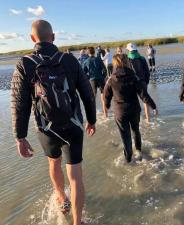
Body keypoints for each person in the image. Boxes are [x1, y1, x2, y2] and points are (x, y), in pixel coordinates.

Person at [11, 20, 96, 225]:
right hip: (73, 125)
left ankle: (61, 198)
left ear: (33, 38)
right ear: (54, 37)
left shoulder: (25, 63)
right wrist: (92, 120)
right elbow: (87, 93)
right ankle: (77, 222)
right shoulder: (69, 60)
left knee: (53, 162)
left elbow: (19, 103)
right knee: (75, 176)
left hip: (46, 129)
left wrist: (19, 136)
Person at [103, 54, 158, 163]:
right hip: (134, 109)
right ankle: (139, 151)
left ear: (115, 64)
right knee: (136, 130)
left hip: (120, 112)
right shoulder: (133, 76)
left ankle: (128, 158)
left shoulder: (111, 79)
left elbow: (106, 95)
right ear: (126, 62)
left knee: (125, 136)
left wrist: (108, 105)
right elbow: (143, 94)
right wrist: (153, 106)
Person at [126, 42, 152, 123]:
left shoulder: (126, 59)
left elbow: (126, 73)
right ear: (136, 49)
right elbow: (147, 72)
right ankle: (148, 120)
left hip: (131, 84)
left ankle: (136, 120)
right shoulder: (142, 58)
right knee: (145, 100)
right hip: (143, 82)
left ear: (128, 50)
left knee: (134, 102)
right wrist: (146, 82)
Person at [83, 47, 108, 118]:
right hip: (100, 79)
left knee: (93, 98)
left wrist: (88, 79)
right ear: (94, 52)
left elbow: (83, 73)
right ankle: (105, 114)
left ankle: (93, 116)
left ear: (88, 53)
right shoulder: (98, 59)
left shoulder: (86, 61)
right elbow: (105, 70)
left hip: (92, 80)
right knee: (103, 97)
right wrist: (103, 77)